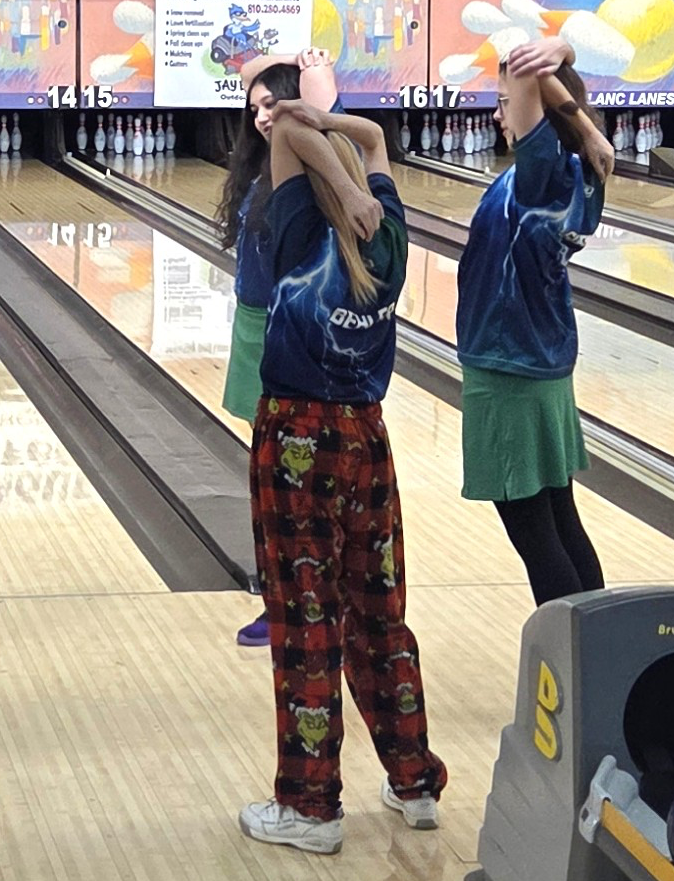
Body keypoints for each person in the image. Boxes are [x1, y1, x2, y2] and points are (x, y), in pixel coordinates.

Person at [237, 99, 447, 855]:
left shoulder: (296, 225)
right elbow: (379, 140)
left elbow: (293, 139)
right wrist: (341, 131)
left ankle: (310, 806)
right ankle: (414, 781)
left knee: (306, 624)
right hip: (367, 435)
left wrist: (305, 127)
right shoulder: (386, 234)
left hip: (296, 438)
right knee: (379, 614)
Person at [455, 36, 614, 607]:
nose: (497, 114)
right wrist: (565, 63)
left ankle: (573, 668)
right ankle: (601, 657)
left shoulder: (542, 170)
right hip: (542, 362)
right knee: (561, 520)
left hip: (509, 368)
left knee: (535, 536)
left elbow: (524, 67)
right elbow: (534, 72)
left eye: (501, 103)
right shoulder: (585, 165)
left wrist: (557, 51)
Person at [216, 47, 338, 647]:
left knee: (294, 476)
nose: (264, 114)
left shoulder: (308, 166)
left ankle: (296, 597)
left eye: (275, 102)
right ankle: (283, 589)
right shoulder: (261, 165)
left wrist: (304, 71)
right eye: (256, 106)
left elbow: (320, 110)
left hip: (293, 327)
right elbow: (247, 75)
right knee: (267, 473)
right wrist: (277, 70)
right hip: (252, 322)